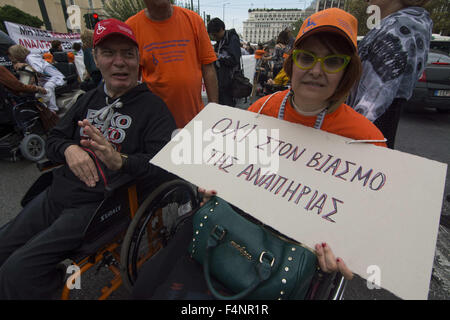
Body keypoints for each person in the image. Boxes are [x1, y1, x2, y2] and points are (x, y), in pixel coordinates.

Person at [131, 8, 386, 300]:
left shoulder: (366, 140)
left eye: (332, 61)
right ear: (292, 62)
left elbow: (367, 226)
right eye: (307, 57)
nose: (316, 70)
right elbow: (226, 169)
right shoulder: (261, 109)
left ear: (346, 71)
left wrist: (348, 249)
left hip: (290, 260)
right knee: (149, 286)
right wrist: (211, 183)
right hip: (230, 229)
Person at [0, 18, 176, 299]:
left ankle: (59, 284)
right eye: (109, 53)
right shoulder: (88, 99)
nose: (120, 62)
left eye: (128, 54)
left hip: (102, 203)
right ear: (95, 58)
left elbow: (165, 167)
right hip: (59, 192)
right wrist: (71, 150)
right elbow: (54, 139)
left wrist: (122, 162)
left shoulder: (154, 109)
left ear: (137, 59)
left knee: (18, 272)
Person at [347, 0, 433, 149]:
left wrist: (342, 140)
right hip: (375, 131)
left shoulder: (398, 27)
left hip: (364, 137)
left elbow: (373, 101)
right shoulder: (409, 22)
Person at [126, 0, 219, 128]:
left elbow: (208, 67)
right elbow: (131, 79)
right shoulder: (131, 27)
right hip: (155, 124)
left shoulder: (194, 20)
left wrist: (214, 109)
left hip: (194, 120)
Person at [8, 44, 66, 113]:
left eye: (11, 56)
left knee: (48, 86)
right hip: (45, 79)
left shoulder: (31, 58)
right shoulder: (25, 60)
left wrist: (25, 65)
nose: (10, 58)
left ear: (17, 53)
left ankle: (53, 109)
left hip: (56, 78)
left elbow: (37, 71)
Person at [207, 17, 242, 107]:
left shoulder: (232, 38)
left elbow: (234, 60)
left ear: (222, 29)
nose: (214, 37)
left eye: (215, 35)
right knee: (219, 107)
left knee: (228, 107)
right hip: (220, 81)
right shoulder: (220, 41)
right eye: (212, 36)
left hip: (230, 82)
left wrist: (218, 56)